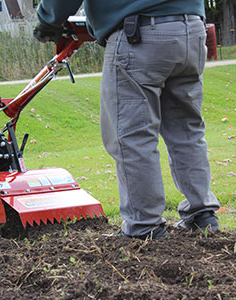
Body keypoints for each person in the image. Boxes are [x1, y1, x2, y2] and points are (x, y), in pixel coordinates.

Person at [33, 0, 221, 239]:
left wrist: (49, 19)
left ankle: (144, 226)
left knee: (132, 135)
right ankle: (202, 215)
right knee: (187, 130)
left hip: (140, 34)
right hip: (191, 30)